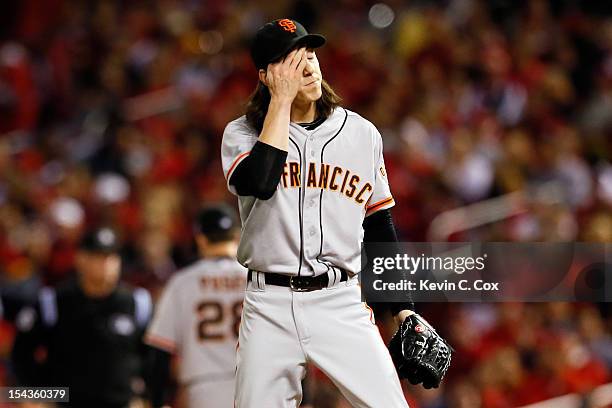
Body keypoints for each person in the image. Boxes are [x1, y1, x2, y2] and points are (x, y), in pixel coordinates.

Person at [220, 18, 436, 407]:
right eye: (292, 60)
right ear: (267, 76)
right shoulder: (241, 133)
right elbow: (262, 180)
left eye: (311, 53)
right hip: (268, 303)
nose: (308, 65)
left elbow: (379, 225)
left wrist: (403, 309)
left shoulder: (361, 134)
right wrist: (282, 102)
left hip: (339, 300)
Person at [11, 227, 152, 408]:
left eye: (111, 258)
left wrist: (149, 398)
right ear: (80, 259)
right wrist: (36, 396)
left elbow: (153, 358)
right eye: (97, 257)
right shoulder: (53, 301)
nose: (105, 265)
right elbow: (20, 355)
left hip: (120, 403)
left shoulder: (138, 303)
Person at [144, 205, 247, 408]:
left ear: (200, 238)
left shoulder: (183, 281)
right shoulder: (256, 279)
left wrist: (157, 401)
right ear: (236, 236)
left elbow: (160, 349)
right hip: (255, 383)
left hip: (204, 387)